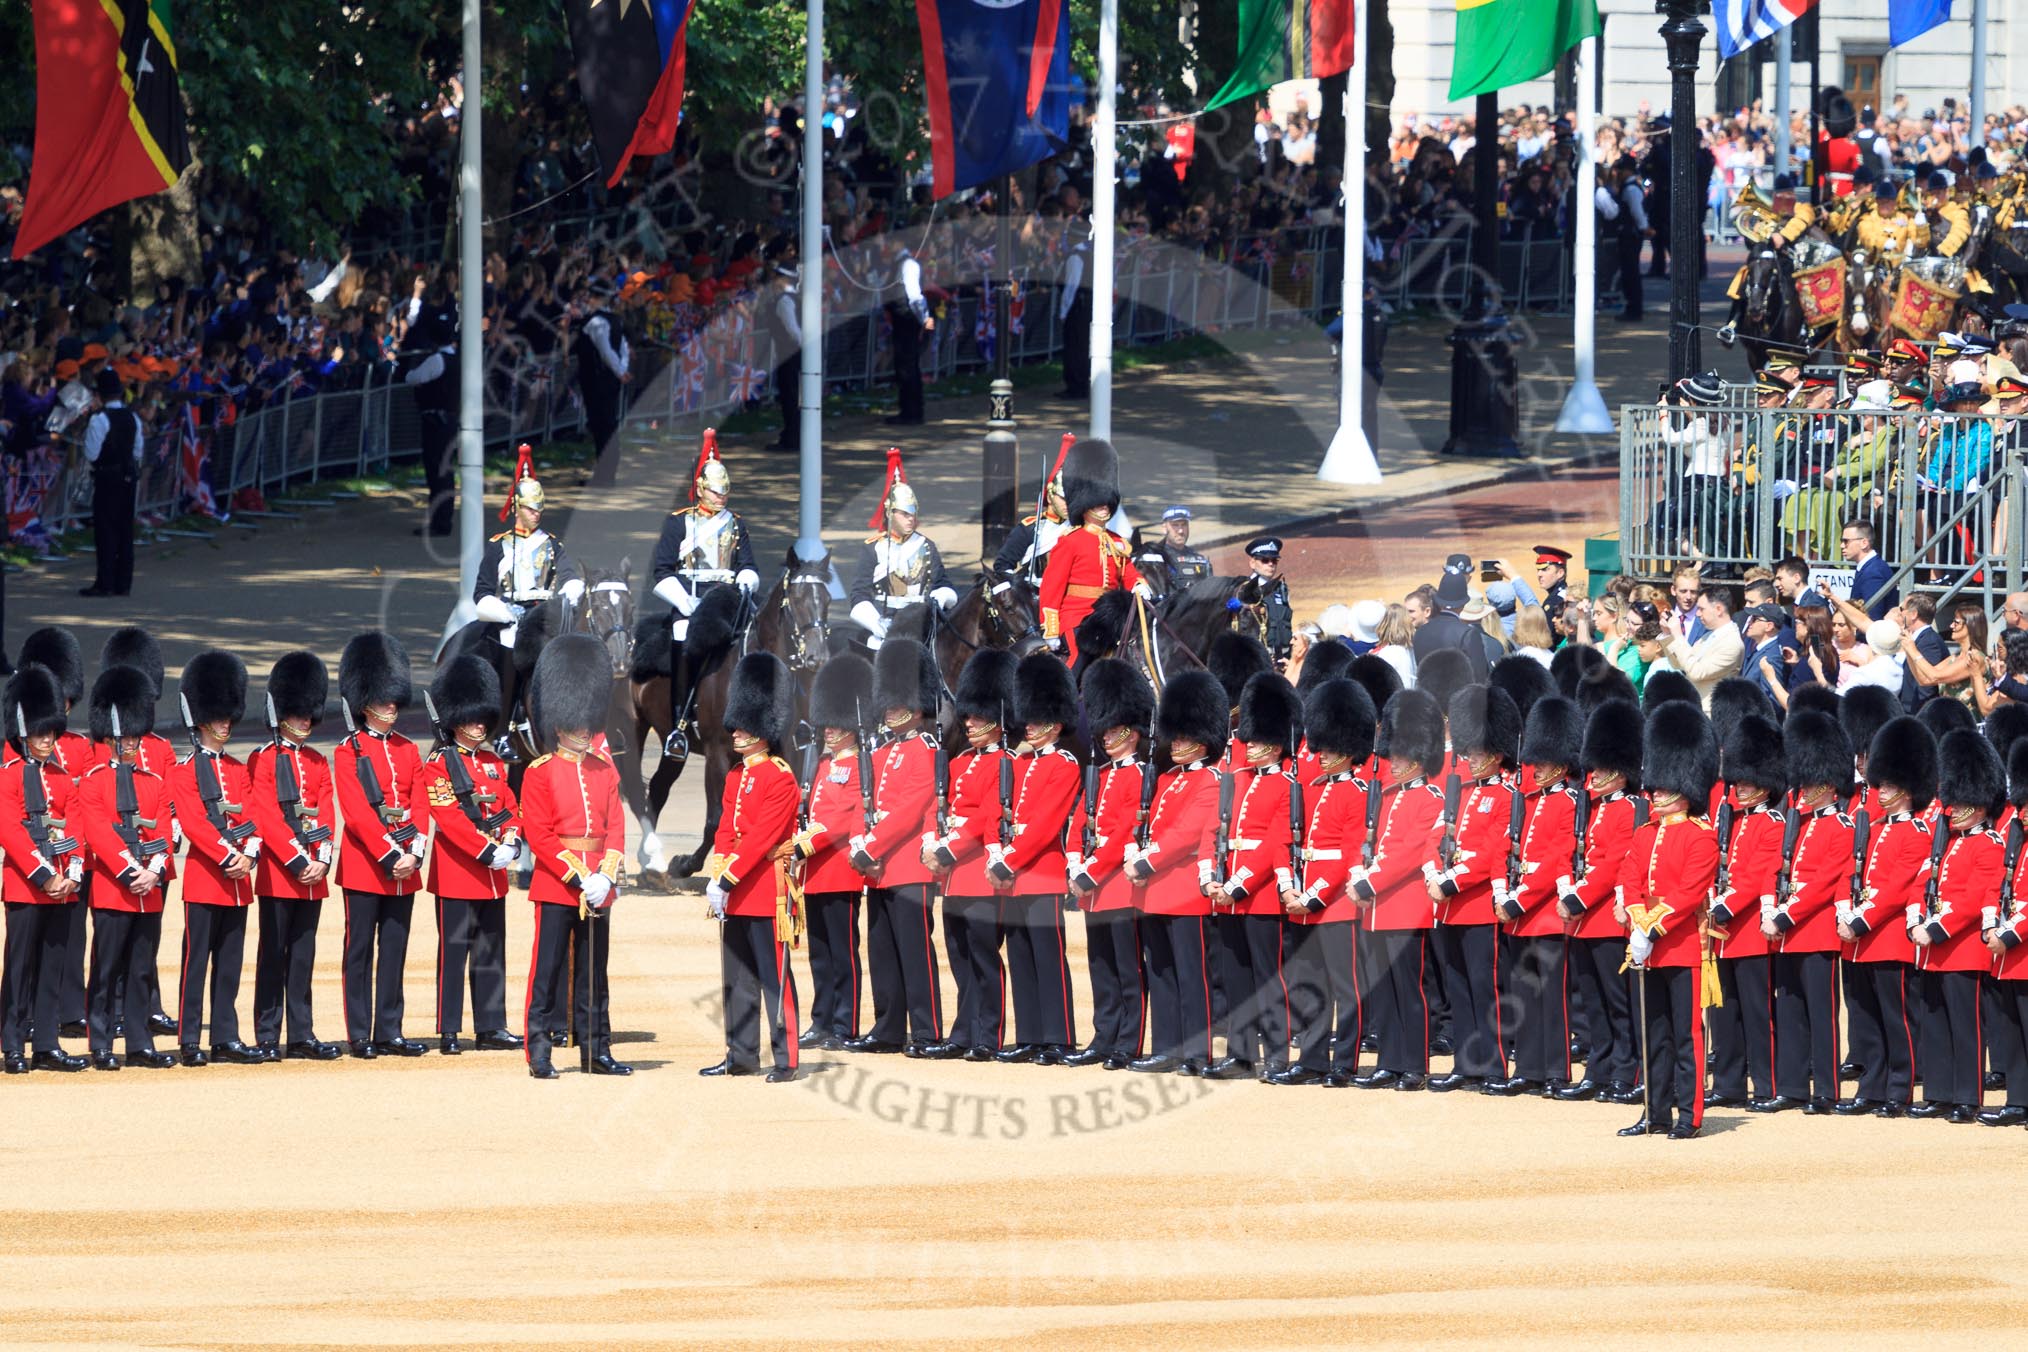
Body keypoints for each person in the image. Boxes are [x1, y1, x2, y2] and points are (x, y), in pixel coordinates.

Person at [518, 635, 627, 1079]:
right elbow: (540, 835)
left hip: (599, 886)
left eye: (588, 723)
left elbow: (615, 828)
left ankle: (596, 1049)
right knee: (546, 971)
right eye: (577, 724)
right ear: (559, 723)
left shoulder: (603, 771)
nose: (585, 731)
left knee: (594, 973)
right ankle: (539, 1051)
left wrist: (606, 876)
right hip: (557, 885)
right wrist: (580, 876)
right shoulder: (539, 772)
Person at [1617, 702, 1721, 1139]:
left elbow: (1688, 894)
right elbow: (1629, 879)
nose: (1655, 794)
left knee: (1686, 1036)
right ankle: (1654, 1111)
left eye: (1663, 788)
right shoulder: (1645, 834)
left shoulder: (1702, 836)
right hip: (1648, 949)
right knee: (1653, 1035)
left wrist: (1648, 927)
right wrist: (1637, 924)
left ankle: (1689, 1115)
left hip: (1683, 948)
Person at [702, 653, 802, 1083]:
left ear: (764, 729)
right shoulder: (736, 775)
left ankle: (786, 1058)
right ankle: (740, 1053)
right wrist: (718, 876)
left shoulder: (780, 777)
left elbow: (762, 837)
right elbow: (726, 829)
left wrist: (726, 878)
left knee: (774, 977)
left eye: (743, 726)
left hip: (765, 887)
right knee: (737, 977)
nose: (736, 732)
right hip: (736, 889)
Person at [418, 655, 525, 1056]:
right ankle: (449, 1028)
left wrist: (511, 840)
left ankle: (491, 1026)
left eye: (483, 718)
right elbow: (448, 818)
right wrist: (487, 850)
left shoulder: (492, 762)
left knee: (491, 951)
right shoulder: (438, 765)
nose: (479, 725)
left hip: (493, 874)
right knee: (454, 953)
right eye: (472, 718)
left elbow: (509, 807)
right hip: (458, 872)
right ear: (455, 719)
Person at [1123, 669, 1226, 1074]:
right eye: (1176, 736)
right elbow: (1154, 827)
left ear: (1203, 740)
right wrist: (1138, 849)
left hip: (1185, 893)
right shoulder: (1167, 778)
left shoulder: (1211, 779)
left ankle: (1197, 1052)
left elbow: (1187, 835)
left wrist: (1146, 860)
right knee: (1161, 972)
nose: (1177, 743)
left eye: (1184, 738)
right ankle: (1167, 1048)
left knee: (1191, 974)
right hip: (1155, 890)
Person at [852, 639, 952, 1056]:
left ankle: (926, 1031)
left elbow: (910, 811)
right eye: (888, 704)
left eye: (898, 704)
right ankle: (888, 1027)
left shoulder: (926, 749)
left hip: (909, 866)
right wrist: (863, 846)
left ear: (916, 705)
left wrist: (870, 848)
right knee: (882, 951)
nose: (891, 711)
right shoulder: (881, 752)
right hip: (878, 870)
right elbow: (865, 804)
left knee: (915, 952)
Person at [73, 666, 176, 1069]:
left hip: (148, 889)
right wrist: (133, 871)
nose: (131, 743)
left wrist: (154, 871)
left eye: (135, 736)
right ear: (111, 738)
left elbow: (163, 830)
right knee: (106, 969)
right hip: (114, 889)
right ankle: (101, 1042)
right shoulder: (94, 780)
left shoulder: (153, 781)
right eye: (125, 737)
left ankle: (139, 1043)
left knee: (140, 970)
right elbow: (98, 832)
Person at [332, 631, 427, 1059]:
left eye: (393, 700)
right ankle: (359, 1033)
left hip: (405, 863)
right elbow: (355, 813)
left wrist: (414, 852)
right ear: (365, 702)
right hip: (366, 866)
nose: (391, 707)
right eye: (383, 700)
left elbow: (419, 805)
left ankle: (389, 1029)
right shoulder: (347, 752)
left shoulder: (408, 750)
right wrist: (391, 854)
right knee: (359, 951)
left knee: (394, 949)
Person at [1754, 710, 1855, 1114]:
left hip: (1814, 931)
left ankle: (1827, 1090)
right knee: (1790, 1011)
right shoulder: (1798, 824)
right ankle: (1792, 1087)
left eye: (1812, 783)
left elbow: (1823, 883)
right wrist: (1769, 906)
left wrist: (1784, 914)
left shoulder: (1842, 826)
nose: (1804, 788)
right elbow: (1776, 868)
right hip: (1787, 933)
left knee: (1821, 1014)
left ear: (1828, 785)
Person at [166, 650, 262, 1067]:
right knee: (195, 963)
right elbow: (194, 823)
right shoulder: (183, 770)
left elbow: (253, 815)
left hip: (238, 882)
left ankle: (226, 1036)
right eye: (218, 718)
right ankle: (190, 1038)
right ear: (202, 719)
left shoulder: (238, 770)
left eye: (228, 718)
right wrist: (230, 857)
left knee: (229, 964)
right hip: (207, 878)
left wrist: (249, 855)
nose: (225, 725)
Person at [1347, 688, 1447, 1089]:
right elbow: (1374, 844)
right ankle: (1389, 1062)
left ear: (1418, 757)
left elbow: (1409, 854)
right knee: (1383, 990)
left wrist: (1368, 882)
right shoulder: (1388, 796)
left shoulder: (1430, 797)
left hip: (1405, 906)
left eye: (1402, 756)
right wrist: (1360, 872)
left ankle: (1414, 1065)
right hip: (1376, 908)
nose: (1395, 761)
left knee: (1409, 989)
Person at [1423, 686, 1521, 1093]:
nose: (1471, 757)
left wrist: (1450, 881)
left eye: (1478, 752)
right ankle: (1466, 1064)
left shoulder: (1506, 796)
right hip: (1449, 907)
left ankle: (1493, 1065)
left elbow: (1492, 853)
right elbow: (1436, 835)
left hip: (1478, 906)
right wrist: (1432, 871)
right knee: (1459, 987)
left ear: (1496, 754)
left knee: (1485, 989)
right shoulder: (1461, 791)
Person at [1207, 672, 1305, 1081]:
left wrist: (1238, 884)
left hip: (1259, 894)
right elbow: (1218, 830)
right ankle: (1240, 1054)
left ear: (1276, 745)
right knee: (1237, 977)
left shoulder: (1286, 784)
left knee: (1268, 977)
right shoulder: (1238, 781)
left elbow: (1273, 843)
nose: (1248, 746)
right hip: (1229, 891)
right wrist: (1212, 878)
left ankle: (1277, 1054)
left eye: (1257, 740)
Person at [1280, 676, 1377, 1087]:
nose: (1322, 755)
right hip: (1305, 898)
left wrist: (1314, 897)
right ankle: (1313, 1058)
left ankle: (1346, 1062)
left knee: (1345, 986)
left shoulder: (1357, 791)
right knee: (1310, 984)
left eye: (1331, 748)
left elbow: (1350, 855)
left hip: (1335, 903)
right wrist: (1290, 887)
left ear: (1348, 750)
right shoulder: (1312, 789)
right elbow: (1292, 842)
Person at [247, 652, 342, 1061]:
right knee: (273, 955)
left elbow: (326, 811)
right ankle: (268, 1033)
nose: (305, 721)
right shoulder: (263, 758)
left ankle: (302, 1033)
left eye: (308, 715)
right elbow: (266, 815)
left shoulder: (317, 761)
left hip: (312, 875)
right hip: (279, 873)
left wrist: (321, 858)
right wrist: (299, 861)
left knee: (303, 957)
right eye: (298, 714)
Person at [1838, 715, 1933, 1117]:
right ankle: (1871, 1088)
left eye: (1890, 786)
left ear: (1907, 790)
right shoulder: (1873, 828)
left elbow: (1896, 889)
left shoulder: (1917, 832)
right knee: (1866, 1018)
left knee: (1897, 1020)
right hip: (1858, 941)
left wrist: (1860, 919)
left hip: (1888, 938)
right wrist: (1844, 909)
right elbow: (1850, 872)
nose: (1881, 791)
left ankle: (1899, 1089)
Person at [1912, 729, 2006, 1122]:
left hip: (1962, 949)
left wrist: (1935, 928)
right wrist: (1916, 917)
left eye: (1964, 802)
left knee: (1966, 1027)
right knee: (1935, 1023)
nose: (1955, 808)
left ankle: (1968, 1097)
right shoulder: (1947, 843)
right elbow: (1922, 882)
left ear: (1981, 806)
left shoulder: (1989, 843)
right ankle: (1939, 1093)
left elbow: (1974, 900)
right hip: (1933, 950)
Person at [1555, 700, 1646, 1104]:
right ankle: (1599, 1068)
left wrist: (1578, 897)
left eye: (1603, 768)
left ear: (1621, 771)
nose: (1594, 775)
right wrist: (1566, 887)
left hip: (1608, 917)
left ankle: (1626, 1070)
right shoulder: (1590, 808)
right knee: (1593, 1000)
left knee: (1618, 1000)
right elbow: (1573, 850)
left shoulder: (1629, 809)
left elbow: (1613, 865)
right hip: (1582, 919)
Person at [994, 654, 1083, 1065]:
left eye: (1036, 718)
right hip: (1014, 875)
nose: (1027, 725)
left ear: (1055, 723)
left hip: (1042, 872)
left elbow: (1046, 825)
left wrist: (1008, 859)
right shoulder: (1021, 762)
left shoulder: (1065, 764)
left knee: (1048, 957)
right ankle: (1030, 1035)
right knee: (1020, 957)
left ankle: (1059, 1037)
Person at [924, 649, 1013, 1061]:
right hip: (954, 877)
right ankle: (964, 1032)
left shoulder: (1005, 763)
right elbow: (941, 807)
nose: (970, 723)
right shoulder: (960, 762)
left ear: (996, 719)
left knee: (983, 956)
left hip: (979, 872)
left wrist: (949, 848)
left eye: (978, 718)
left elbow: (987, 817)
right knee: (959, 956)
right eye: (969, 717)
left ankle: (988, 1034)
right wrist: (931, 839)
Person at [1067, 659, 1155, 1070]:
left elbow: (1124, 833)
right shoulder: (1099, 775)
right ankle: (1104, 1036)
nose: (1105, 736)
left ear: (1131, 732)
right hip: (1093, 886)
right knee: (1100, 966)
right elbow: (1080, 821)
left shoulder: (1140, 774)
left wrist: (1090, 871)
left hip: (1118, 884)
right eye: (1103, 730)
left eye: (1113, 729)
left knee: (1127, 968)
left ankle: (1128, 1041)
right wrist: (1074, 861)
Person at [0, 666, 86, 1073]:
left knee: (53, 966)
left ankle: (48, 1043)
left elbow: (76, 828)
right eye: (40, 733)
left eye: (51, 732)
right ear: (23, 732)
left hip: (62, 886)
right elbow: (10, 830)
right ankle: (13, 1043)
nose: (48, 739)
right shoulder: (9, 777)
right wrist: (45, 875)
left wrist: (72, 875)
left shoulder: (61, 778)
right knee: (19, 968)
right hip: (26, 886)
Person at [1498, 696, 1584, 1095]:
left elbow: (1556, 860)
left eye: (1545, 764)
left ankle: (1556, 1070)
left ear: (1562, 766)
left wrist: (1520, 899)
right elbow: (1508, 849)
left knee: (1552, 997)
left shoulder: (1568, 802)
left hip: (1546, 911)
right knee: (1524, 993)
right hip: (1520, 912)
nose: (1538, 769)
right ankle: (1529, 1068)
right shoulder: (1529, 801)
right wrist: (1504, 891)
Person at [789, 653, 873, 1051]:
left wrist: (801, 845)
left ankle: (844, 1023)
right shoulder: (822, 763)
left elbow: (839, 821)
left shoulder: (857, 765)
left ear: (850, 727)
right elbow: (811, 809)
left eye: (834, 724)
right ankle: (821, 1020)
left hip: (840, 870)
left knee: (843, 954)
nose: (827, 730)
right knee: (819, 954)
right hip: (814, 873)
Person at [1040, 439, 1147, 665]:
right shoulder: (1071, 541)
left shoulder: (1116, 541)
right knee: (1077, 660)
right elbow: (1052, 587)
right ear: (1085, 504)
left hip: (1111, 619)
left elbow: (1128, 573)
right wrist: (1051, 627)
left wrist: (1139, 585)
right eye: (1099, 503)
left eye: (1107, 503)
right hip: (1077, 618)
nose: (1104, 507)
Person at [472, 448, 585, 651]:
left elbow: (570, 578)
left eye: (539, 509)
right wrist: (505, 612)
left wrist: (568, 596)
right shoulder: (498, 545)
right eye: (530, 509)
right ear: (516, 507)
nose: (536, 514)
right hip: (510, 620)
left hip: (546, 617)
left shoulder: (551, 544)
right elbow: (482, 592)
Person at [652, 430, 759, 643]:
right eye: (715, 492)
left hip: (728, 598)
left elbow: (747, 564)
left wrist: (746, 579)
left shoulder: (736, 523)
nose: (721, 497)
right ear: (700, 490)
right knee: (682, 635)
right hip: (690, 595)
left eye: (724, 491)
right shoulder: (678, 521)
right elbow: (663, 569)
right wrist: (682, 601)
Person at [849, 451, 956, 646]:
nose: (910, 519)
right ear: (889, 513)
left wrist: (939, 598)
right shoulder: (873, 548)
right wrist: (876, 624)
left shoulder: (926, 545)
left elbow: (943, 584)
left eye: (913, 513)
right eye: (904, 514)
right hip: (884, 623)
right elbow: (859, 594)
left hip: (922, 624)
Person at [401, 273, 460, 536]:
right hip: (450, 419)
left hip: (436, 421)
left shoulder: (437, 361)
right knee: (444, 472)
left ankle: (439, 522)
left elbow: (413, 378)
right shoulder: (457, 358)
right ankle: (442, 520)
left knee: (436, 472)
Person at [79, 369, 141, 598]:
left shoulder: (100, 419)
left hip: (107, 477)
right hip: (127, 477)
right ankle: (123, 583)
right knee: (125, 529)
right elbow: (138, 450)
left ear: (100, 394)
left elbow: (91, 454)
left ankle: (104, 582)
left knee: (105, 529)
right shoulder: (133, 417)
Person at [573, 282, 631, 484]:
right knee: (607, 424)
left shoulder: (597, 322)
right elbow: (623, 349)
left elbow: (606, 352)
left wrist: (619, 371)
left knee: (602, 426)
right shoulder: (615, 320)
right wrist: (621, 370)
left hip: (597, 380)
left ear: (595, 298)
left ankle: (604, 477)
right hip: (610, 379)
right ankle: (606, 474)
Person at [1662, 585, 1744, 708]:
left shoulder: (1732, 643)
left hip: (1711, 712)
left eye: (1701, 609)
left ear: (1718, 609)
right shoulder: (1708, 636)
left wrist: (1678, 635)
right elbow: (1680, 664)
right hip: (1694, 707)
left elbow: (1696, 672)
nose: (1698, 613)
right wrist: (1668, 634)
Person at [1410, 557, 1490, 681]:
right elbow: (1479, 677)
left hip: (1427, 693)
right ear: (1464, 604)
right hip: (1459, 694)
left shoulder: (1420, 632)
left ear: (1438, 601)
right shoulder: (1468, 634)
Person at [995, 454, 1070, 580]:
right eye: (1063, 499)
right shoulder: (1029, 528)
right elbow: (1003, 565)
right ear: (1049, 497)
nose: (1068, 504)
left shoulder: (1079, 525)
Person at [882, 236, 931, 425]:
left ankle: (912, 412)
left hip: (907, 320)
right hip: (903, 319)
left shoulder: (908, 264)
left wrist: (923, 319)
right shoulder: (899, 263)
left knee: (908, 366)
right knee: (905, 365)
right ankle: (909, 410)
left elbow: (914, 295)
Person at [762, 263, 801, 452]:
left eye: (777, 276)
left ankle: (792, 439)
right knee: (791, 395)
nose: (774, 280)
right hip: (793, 353)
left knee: (790, 396)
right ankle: (792, 435)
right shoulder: (796, 297)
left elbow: (793, 331)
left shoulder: (785, 301)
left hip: (790, 353)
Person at [1134, 506, 1212, 599]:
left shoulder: (1200, 560)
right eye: (1175, 525)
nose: (1181, 531)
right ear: (1164, 528)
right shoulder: (1154, 558)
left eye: (1184, 525)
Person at [1244, 537, 1296, 667]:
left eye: (1274, 560)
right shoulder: (1244, 590)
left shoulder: (1281, 589)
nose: (1271, 564)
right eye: (1265, 560)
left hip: (1283, 660)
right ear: (1252, 563)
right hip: (1257, 661)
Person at [1055, 218, 1092, 400]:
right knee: (1082, 346)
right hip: (1087, 306)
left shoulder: (1075, 257)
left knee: (1074, 347)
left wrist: (1063, 312)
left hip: (1077, 308)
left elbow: (1071, 287)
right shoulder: (1091, 255)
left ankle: (1075, 385)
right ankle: (1081, 383)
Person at [1738, 604, 1789, 704]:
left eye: (1755, 619)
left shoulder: (1772, 657)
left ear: (1769, 626)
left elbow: (1772, 701)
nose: (1749, 622)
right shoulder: (1759, 650)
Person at [1533, 546, 1571, 624]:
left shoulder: (1553, 602)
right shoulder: (1567, 593)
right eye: (1538, 570)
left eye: (1545, 569)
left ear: (1560, 573)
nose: (1539, 574)